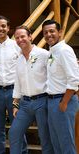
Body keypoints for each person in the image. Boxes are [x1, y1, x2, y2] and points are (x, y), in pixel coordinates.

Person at [0, 15, 27, 154]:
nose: (1, 28)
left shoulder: (17, 46)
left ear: (8, 28)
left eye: (3, 26)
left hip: (14, 91)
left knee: (18, 126)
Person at [8, 25, 54, 154]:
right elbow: (17, 83)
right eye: (17, 38)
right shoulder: (19, 59)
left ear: (30, 37)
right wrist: (15, 104)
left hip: (42, 101)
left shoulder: (44, 54)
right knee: (14, 133)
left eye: (22, 36)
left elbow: (54, 75)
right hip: (25, 104)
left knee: (45, 138)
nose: (20, 39)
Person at [42, 19, 79, 154]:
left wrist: (64, 102)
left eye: (52, 31)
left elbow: (74, 80)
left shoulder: (64, 50)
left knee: (66, 144)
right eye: (45, 32)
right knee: (56, 144)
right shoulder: (52, 51)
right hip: (52, 101)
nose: (48, 35)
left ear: (60, 32)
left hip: (63, 101)